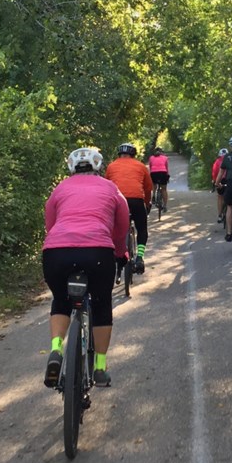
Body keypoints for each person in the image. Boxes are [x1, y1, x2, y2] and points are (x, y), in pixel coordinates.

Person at [42, 147, 130, 388]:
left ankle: (56, 350)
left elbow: (50, 223)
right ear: (98, 167)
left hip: (56, 252)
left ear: (71, 168)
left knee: (61, 300)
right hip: (97, 253)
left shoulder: (60, 188)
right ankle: (100, 368)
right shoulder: (110, 188)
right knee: (101, 303)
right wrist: (121, 251)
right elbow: (122, 224)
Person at [105, 142, 153, 274]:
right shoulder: (141, 166)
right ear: (133, 154)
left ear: (119, 154)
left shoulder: (111, 166)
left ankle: (114, 254)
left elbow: (106, 187)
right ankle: (140, 257)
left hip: (117, 200)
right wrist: (147, 203)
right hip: (136, 201)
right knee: (142, 229)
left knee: (113, 228)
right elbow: (148, 188)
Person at [147, 146, 170, 211]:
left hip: (154, 173)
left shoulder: (151, 158)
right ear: (162, 152)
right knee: (164, 189)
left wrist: (150, 176)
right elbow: (167, 168)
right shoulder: (165, 158)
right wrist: (167, 176)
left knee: (154, 186)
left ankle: (153, 196)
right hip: (163, 173)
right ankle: (165, 206)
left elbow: (150, 168)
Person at [211, 148, 229, 224]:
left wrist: (215, 182)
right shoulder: (230, 161)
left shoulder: (217, 162)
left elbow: (214, 173)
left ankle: (220, 215)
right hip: (229, 180)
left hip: (220, 181)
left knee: (220, 197)